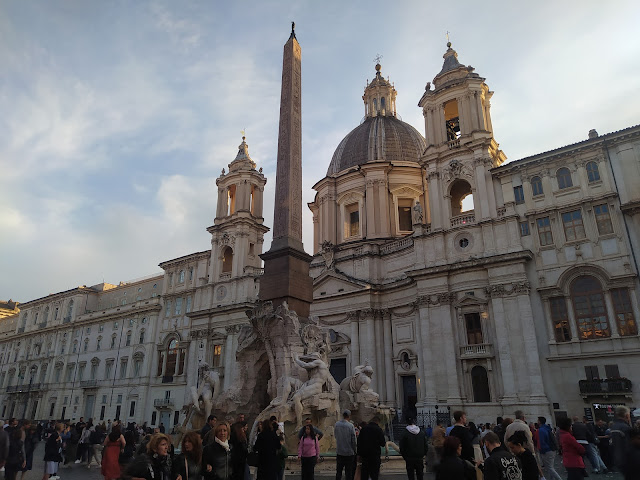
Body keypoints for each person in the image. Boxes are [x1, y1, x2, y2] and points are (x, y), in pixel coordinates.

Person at [334, 410, 356, 480]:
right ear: (349, 416)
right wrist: (355, 450)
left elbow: (335, 435)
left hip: (339, 451)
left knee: (339, 471)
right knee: (349, 472)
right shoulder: (350, 426)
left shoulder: (337, 424)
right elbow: (353, 440)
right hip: (349, 452)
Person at [611, 405, 632, 472]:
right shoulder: (625, 427)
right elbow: (629, 444)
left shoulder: (613, 427)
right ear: (626, 415)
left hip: (617, 458)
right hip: (627, 458)